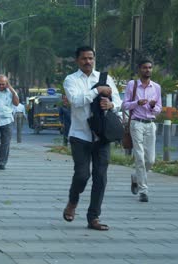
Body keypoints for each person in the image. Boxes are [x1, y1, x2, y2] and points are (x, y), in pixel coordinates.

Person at [62, 46, 121, 231]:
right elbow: (76, 101)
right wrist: (97, 91)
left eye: (90, 58)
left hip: (102, 136)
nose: (88, 61)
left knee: (100, 178)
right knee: (82, 175)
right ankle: (73, 201)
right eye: (84, 59)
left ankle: (93, 217)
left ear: (94, 59)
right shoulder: (71, 80)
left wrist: (111, 103)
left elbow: (119, 101)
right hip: (80, 135)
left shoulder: (105, 78)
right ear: (77, 60)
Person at [122, 59, 162, 203]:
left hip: (150, 123)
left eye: (150, 68)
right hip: (136, 123)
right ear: (140, 69)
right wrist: (136, 103)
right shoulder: (132, 85)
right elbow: (124, 105)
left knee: (150, 160)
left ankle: (135, 177)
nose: (148, 70)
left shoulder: (156, 87)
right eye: (145, 67)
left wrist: (152, 106)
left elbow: (159, 109)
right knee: (139, 157)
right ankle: (143, 190)